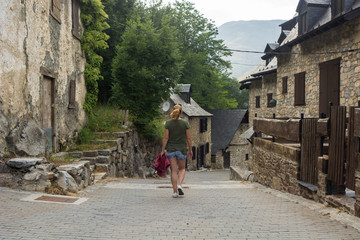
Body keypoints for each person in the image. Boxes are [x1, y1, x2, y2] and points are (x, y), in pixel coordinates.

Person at [161, 104, 193, 198]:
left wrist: (163, 150)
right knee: (182, 169)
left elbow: (166, 138)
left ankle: (175, 192)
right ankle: (180, 185)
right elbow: (189, 138)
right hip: (182, 149)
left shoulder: (168, 123)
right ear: (181, 112)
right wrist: (190, 149)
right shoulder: (185, 123)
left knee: (173, 170)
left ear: (173, 111)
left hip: (171, 149)